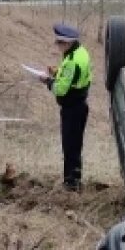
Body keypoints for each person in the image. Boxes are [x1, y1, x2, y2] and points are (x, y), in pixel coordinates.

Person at [42, 22, 92, 191]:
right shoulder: (80, 52)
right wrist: (57, 73)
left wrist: (48, 81)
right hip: (79, 105)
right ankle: (73, 180)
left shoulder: (72, 61)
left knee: (70, 146)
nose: (57, 46)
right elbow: (75, 78)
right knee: (75, 145)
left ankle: (71, 184)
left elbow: (61, 90)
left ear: (68, 43)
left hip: (73, 108)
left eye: (59, 43)